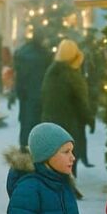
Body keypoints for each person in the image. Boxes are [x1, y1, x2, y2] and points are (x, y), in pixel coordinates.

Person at [41, 39, 94, 176]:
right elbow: (82, 102)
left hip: (49, 121)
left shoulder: (50, 72)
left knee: (53, 158)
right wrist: (89, 119)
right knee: (68, 158)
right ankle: (68, 186)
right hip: (69, 123)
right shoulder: (72, 75)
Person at [13, 36, 52, 150]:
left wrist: (20, 93)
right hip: (41, 95)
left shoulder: (22, 54)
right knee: (39, 124)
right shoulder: (45, 55)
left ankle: (25, 148)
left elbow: (20, 79)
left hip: (27, 96)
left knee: (26, 123)